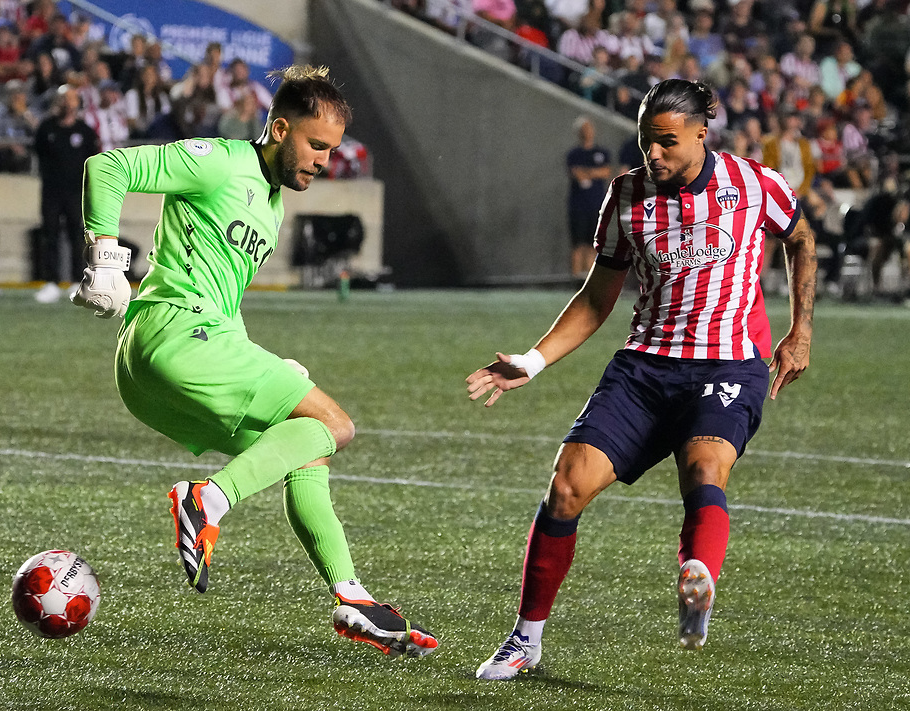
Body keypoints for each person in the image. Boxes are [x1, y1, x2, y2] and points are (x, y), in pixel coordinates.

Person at [70, 65, 439, 659]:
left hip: (161, 366)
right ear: (279, 127)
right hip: (174, 337)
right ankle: (205, 501)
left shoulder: (271, 204)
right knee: (336, 425)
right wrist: (105, 259)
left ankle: (350, 595)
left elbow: (224, 291)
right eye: (316, 145)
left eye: (332, 151)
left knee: (305, 444)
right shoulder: (219, 159)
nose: (323, 160)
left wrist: (263, 358)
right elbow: (107, 168)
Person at [466, 79, 816, 680]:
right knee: (567, 487)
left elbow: (802, 240)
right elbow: (596, 298)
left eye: (665, 142)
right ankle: (525, 642)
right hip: (644, 366)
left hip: (728, 365)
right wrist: (532, 360)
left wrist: (800, 331)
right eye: (644, 142)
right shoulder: (626, 196)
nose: (652, 155)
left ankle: (697, 580)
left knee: (705, 469)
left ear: (701, 134)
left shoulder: (754, 184)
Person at [32, 86, 100, 302]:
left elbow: (94, 160)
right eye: (63, 99)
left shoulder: (85, 131)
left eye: (70, 99)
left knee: (76, 235)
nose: (67, 104)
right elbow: (39, 153)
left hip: (75, 192)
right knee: (50, 234)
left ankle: (77, 281)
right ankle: (51, 281)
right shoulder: (46, 128)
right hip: (51, 191)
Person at [566, 117, 611, 280]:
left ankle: (589, 279)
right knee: (578, 243)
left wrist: (588, 172)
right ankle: (576, 278)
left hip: (596, 205)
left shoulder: (602, 152)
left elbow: (605, 171)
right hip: (578, 206)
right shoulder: (574, 154)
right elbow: (575, 173)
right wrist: (594, 172)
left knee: (594, 244)